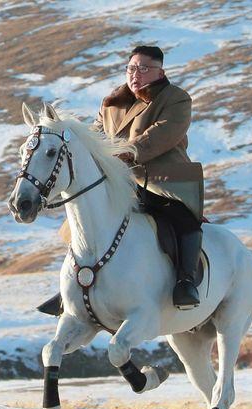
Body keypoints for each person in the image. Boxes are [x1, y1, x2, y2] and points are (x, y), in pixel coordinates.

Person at [37, 45, 204, 315]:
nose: (135, 74)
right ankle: (75, 286)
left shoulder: (176, 99)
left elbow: (162, 135)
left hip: (162, 180)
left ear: (160, 72)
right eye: (131, 68)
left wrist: (127, 152)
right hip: (119, 181)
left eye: (143, 68)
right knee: (83, 221)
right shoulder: (111, 102)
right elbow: (95, 136)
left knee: (183, 220)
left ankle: (185, 282)